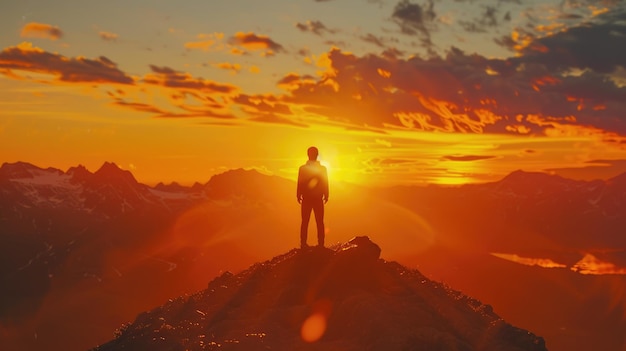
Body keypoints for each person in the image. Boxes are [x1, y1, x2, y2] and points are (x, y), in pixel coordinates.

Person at [297, 146, 329, 248]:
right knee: (319, 221)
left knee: (306, 221)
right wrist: (326, 193)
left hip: (308, 198)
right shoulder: (322, 169)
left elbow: (300, 182)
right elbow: (325, 182)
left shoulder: (303, 168)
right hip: (317, 198)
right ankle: (320, 244)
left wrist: (298, 194)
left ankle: (304, 244)